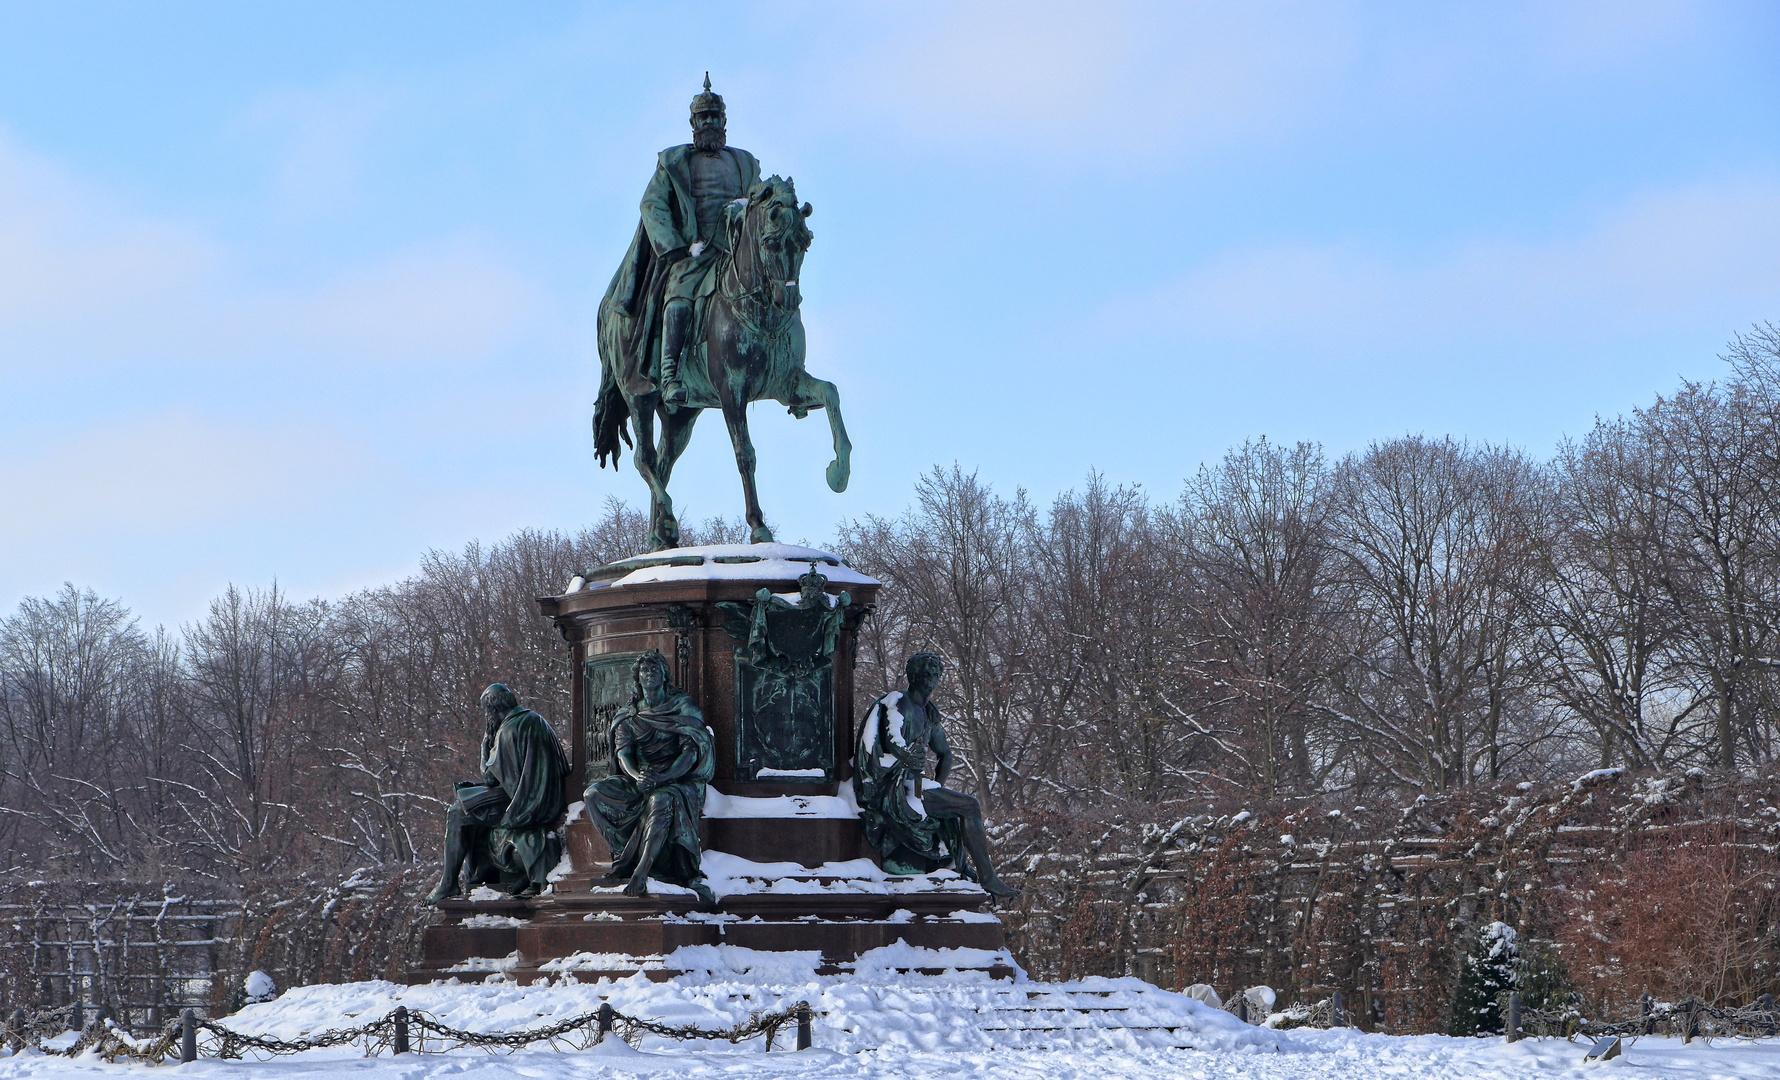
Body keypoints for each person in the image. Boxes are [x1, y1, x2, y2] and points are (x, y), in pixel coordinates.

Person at [599, 74, 763, 409]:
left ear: (724, 121)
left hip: (734, 252)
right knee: (678, 294)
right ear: (693, 123)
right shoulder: (674, 161)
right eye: (704, 118)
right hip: (694, 249)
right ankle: (671, 374)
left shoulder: (744, 162)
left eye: (715, 117)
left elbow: (758, 199)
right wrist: (675, 246)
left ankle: (777, 365)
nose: (710, 122)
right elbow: (652, 204)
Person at [854, 653, 1017, 899]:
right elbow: (892, 737)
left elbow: (946, 754)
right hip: (892, 785)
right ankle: (989, 878)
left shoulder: (929, 712)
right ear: (913, 676)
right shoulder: (899, 702)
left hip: (916, 787)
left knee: (965, 807)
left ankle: (978, 873)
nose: (931, 680)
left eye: (935, 674)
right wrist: (905, 756)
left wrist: (933, 787)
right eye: (926, 674)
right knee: (970, 806)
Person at [585, 651, 717, 903]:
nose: (649, 675)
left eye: (654, 670)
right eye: (644, 671)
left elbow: (690, 752)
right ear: (637, 678)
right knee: (592, 795)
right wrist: (637, 777)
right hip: (641, 777)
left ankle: (642, 870)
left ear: (664, 675)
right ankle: (622, 857)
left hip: (677, 779)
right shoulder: (629, 714)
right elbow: (623, 754)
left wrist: (663, 777)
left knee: (661, 800)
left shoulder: (682, 706)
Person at [425, 683, 571, 903]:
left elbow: (491, 777)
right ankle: (480, 868)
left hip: (525, 801)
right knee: (470, 799)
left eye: (486, 711)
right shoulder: (537, 720)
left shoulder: (508, 729)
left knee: (457, 811)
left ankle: (449, 883)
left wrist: (485, 746)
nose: (487, 716)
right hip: (547, 796)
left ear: (493, 709)